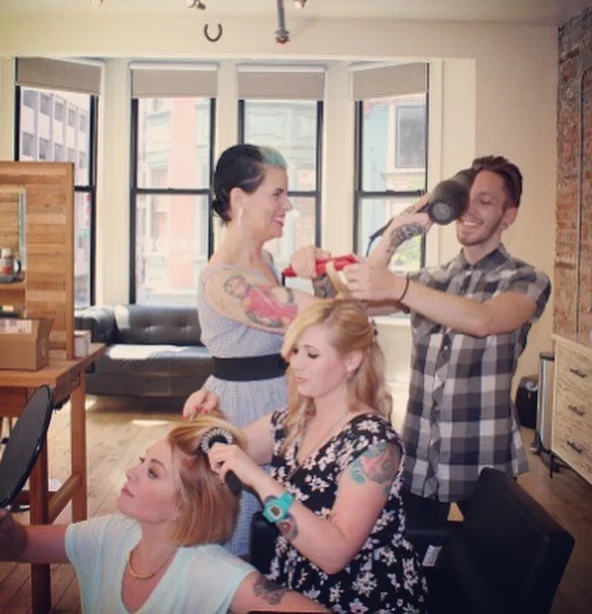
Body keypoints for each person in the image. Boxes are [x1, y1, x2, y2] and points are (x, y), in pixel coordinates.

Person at [340, 154, 552, 527]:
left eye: (485, 201)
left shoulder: (526, 279)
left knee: (491, 560)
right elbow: (355, 308)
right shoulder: (429, 280)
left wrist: (398, 287)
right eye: (465, 199)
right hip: (420, 455)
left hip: (485, 457)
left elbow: (484, 320)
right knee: (410, 554)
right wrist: (395, 234)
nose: (470, 209)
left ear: (508, 216)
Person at [0, 415, 327, 614]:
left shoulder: (212, 572)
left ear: (185, 505)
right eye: (143, 461)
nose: (130, 472)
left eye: (153, 472)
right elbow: (22, 545)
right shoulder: (109, 535)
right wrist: (3, 532)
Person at [206, 299, 428, 613]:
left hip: (362, 598)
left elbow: (334, 555)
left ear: (351, 360)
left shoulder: (374, 443)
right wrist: (209, 417)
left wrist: (259, 479)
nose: (296, 364)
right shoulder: (293, 421)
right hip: (295, 586)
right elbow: (225, 451)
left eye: (311, 354)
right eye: (295, 351)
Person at [185, 143, 329, 556]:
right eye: (277, 194)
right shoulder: (222, 281)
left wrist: (319, 277)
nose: (288, 205)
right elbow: (330, 321)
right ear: (239, 199)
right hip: (244, 409)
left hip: (284, 398)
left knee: (286, 526)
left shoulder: (266, 261)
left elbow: (320, 329)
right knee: (245, 535)